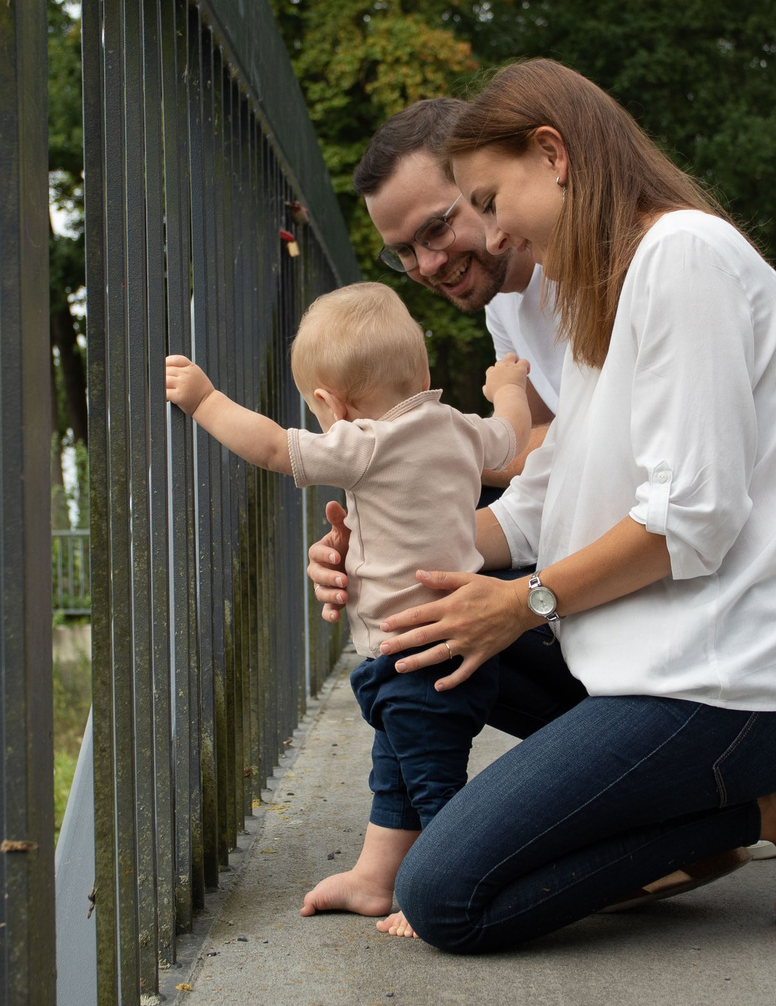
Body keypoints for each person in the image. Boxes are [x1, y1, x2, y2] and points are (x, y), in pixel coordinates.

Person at [340, 60, 776, 948]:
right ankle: (733, 798)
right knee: (421, 635)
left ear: (553, 155)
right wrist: (391, 552)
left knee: (446, 896)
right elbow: (540, 501)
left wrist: (523, 601)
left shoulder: (683, 255)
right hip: (655, 660)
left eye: (489, 200)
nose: (493, 231)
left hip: (732, 680)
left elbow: (694, 515)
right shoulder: (602, 293)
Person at [163, 282, 533, 925]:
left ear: (332, 405)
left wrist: (205, 400)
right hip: (446, 643)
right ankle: (375, 878)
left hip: (415, 653)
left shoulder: (364, 442)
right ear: (422, 375)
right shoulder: (459, 430)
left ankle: (447, 887)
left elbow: (272, 447)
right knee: (397, 770)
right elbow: (513, 437)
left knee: (434, 787)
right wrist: (507, 387)